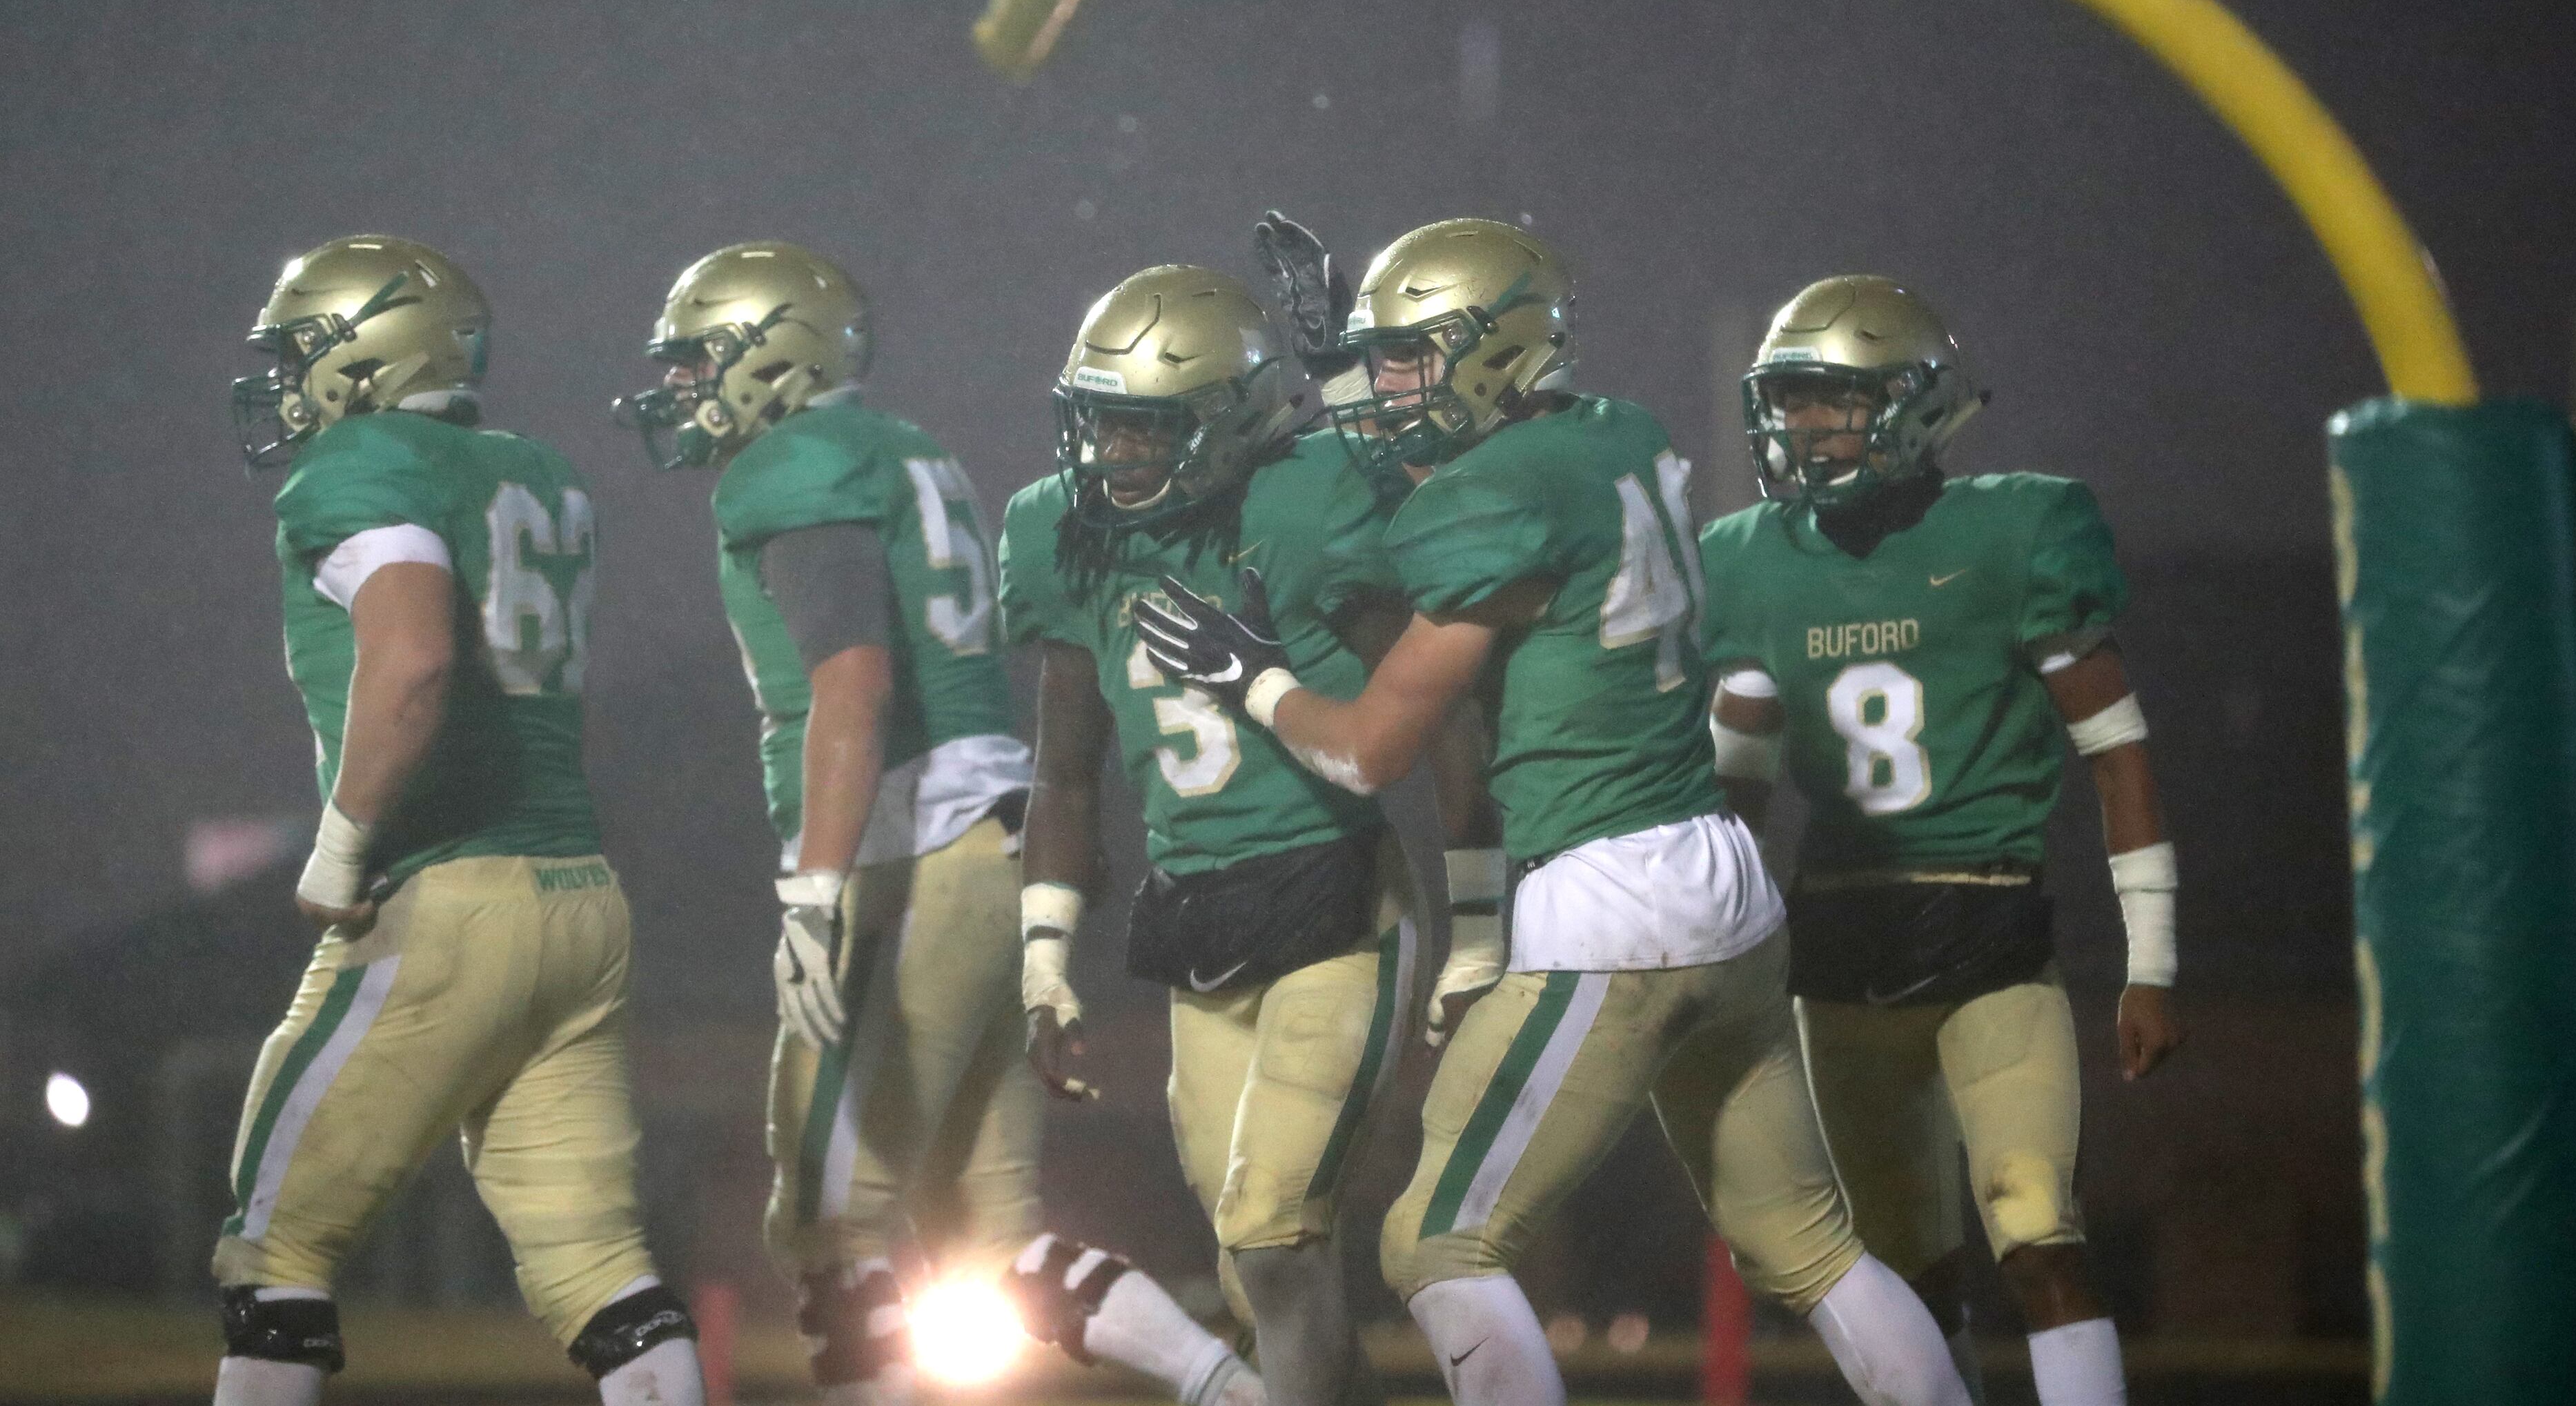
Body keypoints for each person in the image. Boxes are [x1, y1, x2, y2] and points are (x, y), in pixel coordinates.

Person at [1136, 219, 1968, 1406]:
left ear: (1500, 350)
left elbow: (1369, 749)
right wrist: (1345, 375)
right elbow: (1475, 478)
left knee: (1434, 1240)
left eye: (1412, 358)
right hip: (1724, 879)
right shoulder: (1620, 430)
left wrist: (1256, 678)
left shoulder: (1496, 497)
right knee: (1813, 1245)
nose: (1386, 389)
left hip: (1608, 903)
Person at [617, 242, 1257, 1406]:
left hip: (914, 851)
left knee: (829, 1218)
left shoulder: (794, 466)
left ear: (778, 356)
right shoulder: (906, 450)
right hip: (995, 845)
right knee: (991, 1239)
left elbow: (852, 684)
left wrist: (815, 888)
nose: (682, 384)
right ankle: (1230, 1388)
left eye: (702, 357)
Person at [218, 235, 700, 1406]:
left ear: (369, 355)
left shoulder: (363, 460)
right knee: (601, 1267)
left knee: (276, 1248)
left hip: (442, 897)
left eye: (302, 350)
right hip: (578, 900)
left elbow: (415, 659)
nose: (285, 379)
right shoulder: (538, 470)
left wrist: (340, 848)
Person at [1001, 260, 1482, 1406]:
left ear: (1231, 422)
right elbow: (1064, 768)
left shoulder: (1307, 503)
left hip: (1336, 906)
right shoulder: (1057, 529)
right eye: (1103, 421)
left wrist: (1480, 912)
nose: (1114, 451)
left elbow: (1443, 713)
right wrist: (1043, 953)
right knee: (1258, 1271)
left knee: (1273, 1236)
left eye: (1148, 425)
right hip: (1197, 923)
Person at [1700, 275, 2183, 1406]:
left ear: (1914, 405)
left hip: (1988, 934)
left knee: (2039, 1234)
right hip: (1839, 952)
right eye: (1790, 399)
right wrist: (1704, 960)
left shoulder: (2014, 532)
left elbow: (2118, 754)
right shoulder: (1752, 558)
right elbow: (1735, 798)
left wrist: (2153, 963)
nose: (1804, 425)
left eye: (1832, 398)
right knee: (1907, 1276)